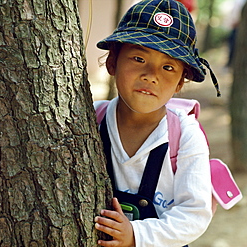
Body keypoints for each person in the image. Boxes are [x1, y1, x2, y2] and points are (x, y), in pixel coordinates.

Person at [93, 0, 220, 246]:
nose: (151, 75)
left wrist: (137, 236)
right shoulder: (92, 118)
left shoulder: (184, 135)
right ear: (112, 62)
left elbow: (194, 214)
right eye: (139, 59)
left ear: (180, 83)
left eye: (168, 67)